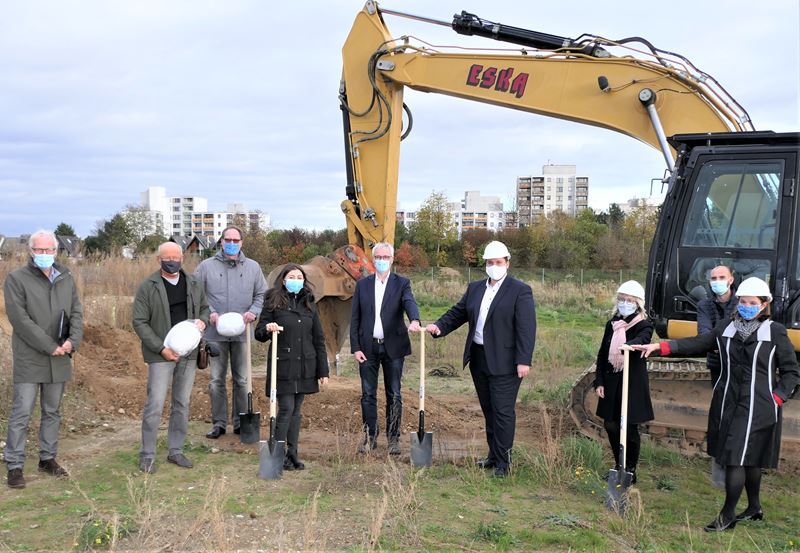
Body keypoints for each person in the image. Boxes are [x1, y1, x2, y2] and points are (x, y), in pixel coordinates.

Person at [634, 277, 799, 532]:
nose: (746, 306)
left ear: (764, 304)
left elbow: (791, 372)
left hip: (759, 406)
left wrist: (776, 397)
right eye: (742, 301)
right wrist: (661, 346)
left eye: (752, 302)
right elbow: (698, 343)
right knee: (750, 458)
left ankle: (727, 515)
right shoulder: (726, 327)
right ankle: (754, 507)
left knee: (736, 457)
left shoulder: (774, 331)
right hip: (727, 402)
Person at [426, 241, 536, 477]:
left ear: (507, 263)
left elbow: (527, 328)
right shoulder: (475, 288)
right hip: (479, 358)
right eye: (489, 262)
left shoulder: (520, 290)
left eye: (498, 262)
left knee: (503, 411)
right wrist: (439, 326)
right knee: (489, 409)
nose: (493, 266)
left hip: (506, 362)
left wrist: (523, 360)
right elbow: (458, 312)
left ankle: (504, 464)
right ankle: (493, 456)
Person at [3, 230, 83, 489]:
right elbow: (20, 320)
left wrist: (73, 341)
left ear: (57, 251)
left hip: (60, 356)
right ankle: (14, 464)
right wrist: (49, 346)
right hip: (31, 356)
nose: (45, 254)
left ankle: (47, 458)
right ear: (30, 251)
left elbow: (76, 311)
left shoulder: (66, 277)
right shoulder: (16, 279)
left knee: (52, 411)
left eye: (49, 250)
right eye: (39, 250)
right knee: (22, 412)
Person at [133, 242, 209, 473]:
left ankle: (175, 451)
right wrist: (160, 348)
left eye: (176, 257)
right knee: (155, 404)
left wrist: (202, 320)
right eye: (167, 257)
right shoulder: (148, 286)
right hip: (161, 354)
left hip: (188, 353)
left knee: (182, 403)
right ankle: (147, 455)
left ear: (182, 258)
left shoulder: (194, 283)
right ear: (159, 260)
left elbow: (205, 308)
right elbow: (139, 322)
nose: (172, 261)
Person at [194, 225, 267, 439]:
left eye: (236, 240)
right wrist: (211, 313)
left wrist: (254, 312)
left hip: (242, 334)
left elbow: (262, 293)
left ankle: (240, 422)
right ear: (221, 241)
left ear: (241, 243)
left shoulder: (253, 268)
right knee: (216, 379)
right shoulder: (206, 267)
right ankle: (219, 423)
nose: (232, 244)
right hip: (214, 335)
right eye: (228, 240)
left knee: (242, 380)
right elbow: (198, 295)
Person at [254, 264, 329, 470]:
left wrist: (323, 370)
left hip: (306, 365)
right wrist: (268, 329)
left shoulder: (309, 304)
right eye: (291, 276)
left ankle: (292, 454)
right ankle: (277, 453)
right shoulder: (273, 302)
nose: (296, 280)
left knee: (297, 411)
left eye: (299, 277)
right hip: (283, 366)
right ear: (283, 280)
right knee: (286, 408)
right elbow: (259, 333)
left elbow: (319, 339)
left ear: (304, 281)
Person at [350, 242, 421, 455]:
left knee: (394, 394)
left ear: (392, 260)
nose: (381, 260)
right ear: (373, 260)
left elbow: (409, 302)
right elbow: (355, 318)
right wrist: (356, 347)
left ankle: (393, 439)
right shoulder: (363, 285)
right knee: (368, 394)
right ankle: (370, 437)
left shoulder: (402, 283)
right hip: (368, 348)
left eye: (385, 257)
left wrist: (415, 320)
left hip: (394, 347)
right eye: (378, 257)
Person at [593, 280, 654, 484]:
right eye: (622, 300)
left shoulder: (644, 325)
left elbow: (644, 339)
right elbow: (603, 353)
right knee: (611, 425)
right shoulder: (612, 324)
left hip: (631, 382)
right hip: (611, 379)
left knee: (629, 427)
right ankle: (619, 464)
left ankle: (630, 469)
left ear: (638, 304)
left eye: (629, 300)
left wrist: (629, 345)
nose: (625, 304)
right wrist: (599, 381)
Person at [697, 265, 737, 385]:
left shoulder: (742, 303)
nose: (717, 281)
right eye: (714, 278)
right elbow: (704, 333)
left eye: (722, 277)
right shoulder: (703, 305)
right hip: (716, 362)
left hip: (738, 361)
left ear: (731, 280)